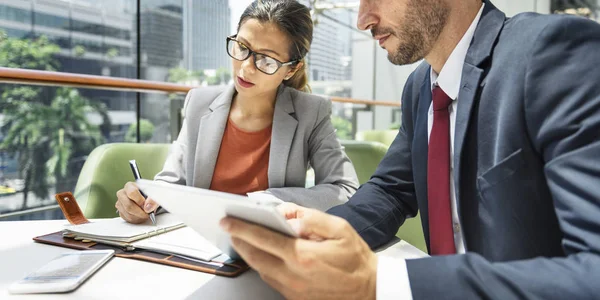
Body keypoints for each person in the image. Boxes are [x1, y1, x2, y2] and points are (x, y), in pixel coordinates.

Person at [220, 0, 600, 298]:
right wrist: (314, 235)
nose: (362, 19)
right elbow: (390, 191)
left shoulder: (553, 52)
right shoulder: (420, 89)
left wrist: (380, 284)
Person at [116, 0, 359, 224]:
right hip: (196, 243)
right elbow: (171, 182)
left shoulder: (311, 112)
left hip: (266, 246)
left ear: (291, 69)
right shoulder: (199, 102)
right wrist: (145, 201)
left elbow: (344, 188)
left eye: (266, 60)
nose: (246, 67)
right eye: (242, 47)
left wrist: (267, 201)